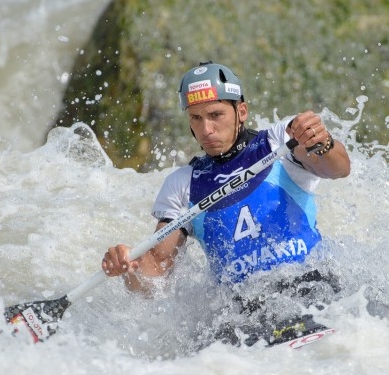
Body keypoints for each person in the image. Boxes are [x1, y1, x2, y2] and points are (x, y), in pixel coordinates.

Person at [101, 61, 351, 346]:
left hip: (312, 287)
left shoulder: (282, 139)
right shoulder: (183, 185)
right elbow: (156, 272)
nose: (206, 129)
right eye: (195, 118)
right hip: (241, 314)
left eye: (215, 115)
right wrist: (129, 266)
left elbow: (339, 169)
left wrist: (322, 142)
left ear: (241, 111)